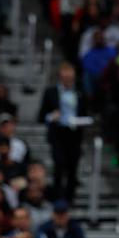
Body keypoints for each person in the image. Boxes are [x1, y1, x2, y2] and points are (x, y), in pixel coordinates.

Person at [39, 62, 87, 201]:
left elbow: (85, 112)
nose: (67, 80)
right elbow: (41, 115)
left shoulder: (80, 92)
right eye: (65, 77)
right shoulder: (51, 92)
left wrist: (81, 120)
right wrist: (51, 116)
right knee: (59, 164)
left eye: (70, 77)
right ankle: (57, 197)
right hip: (57, 134)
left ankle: (70, 198)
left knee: (73, 167)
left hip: (75, 134)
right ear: (60, 77)